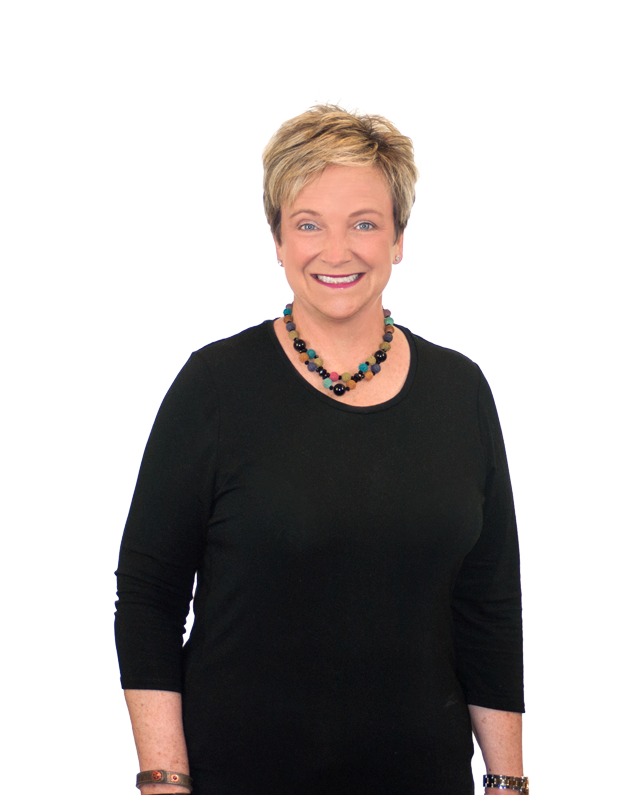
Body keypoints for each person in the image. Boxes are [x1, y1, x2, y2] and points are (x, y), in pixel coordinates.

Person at [114, 103, 528, 795]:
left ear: (399, 238)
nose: (337, 251)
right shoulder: (214, 386)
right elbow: (149, 598)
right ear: (278, 240)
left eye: (364, 223)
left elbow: (489, 610)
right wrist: (163, 781)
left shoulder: (461, 391)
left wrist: (508, 783)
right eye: (309, 224)